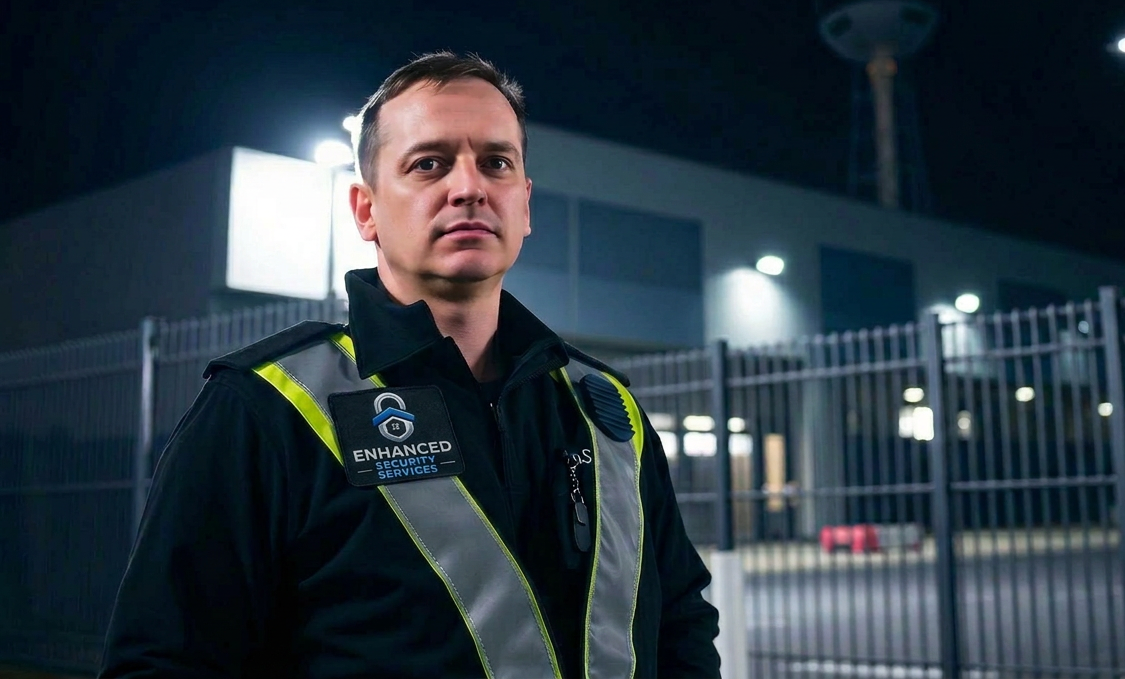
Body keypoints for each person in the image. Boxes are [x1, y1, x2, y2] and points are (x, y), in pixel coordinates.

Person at [99, 51, 721, 678]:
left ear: (525, 205)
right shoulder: (265, 407)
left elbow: (679, 621)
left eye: (496, 163)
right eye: (430, 163)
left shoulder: (604, 409)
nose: (470, 186)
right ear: (366, 210)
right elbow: (163, 661)